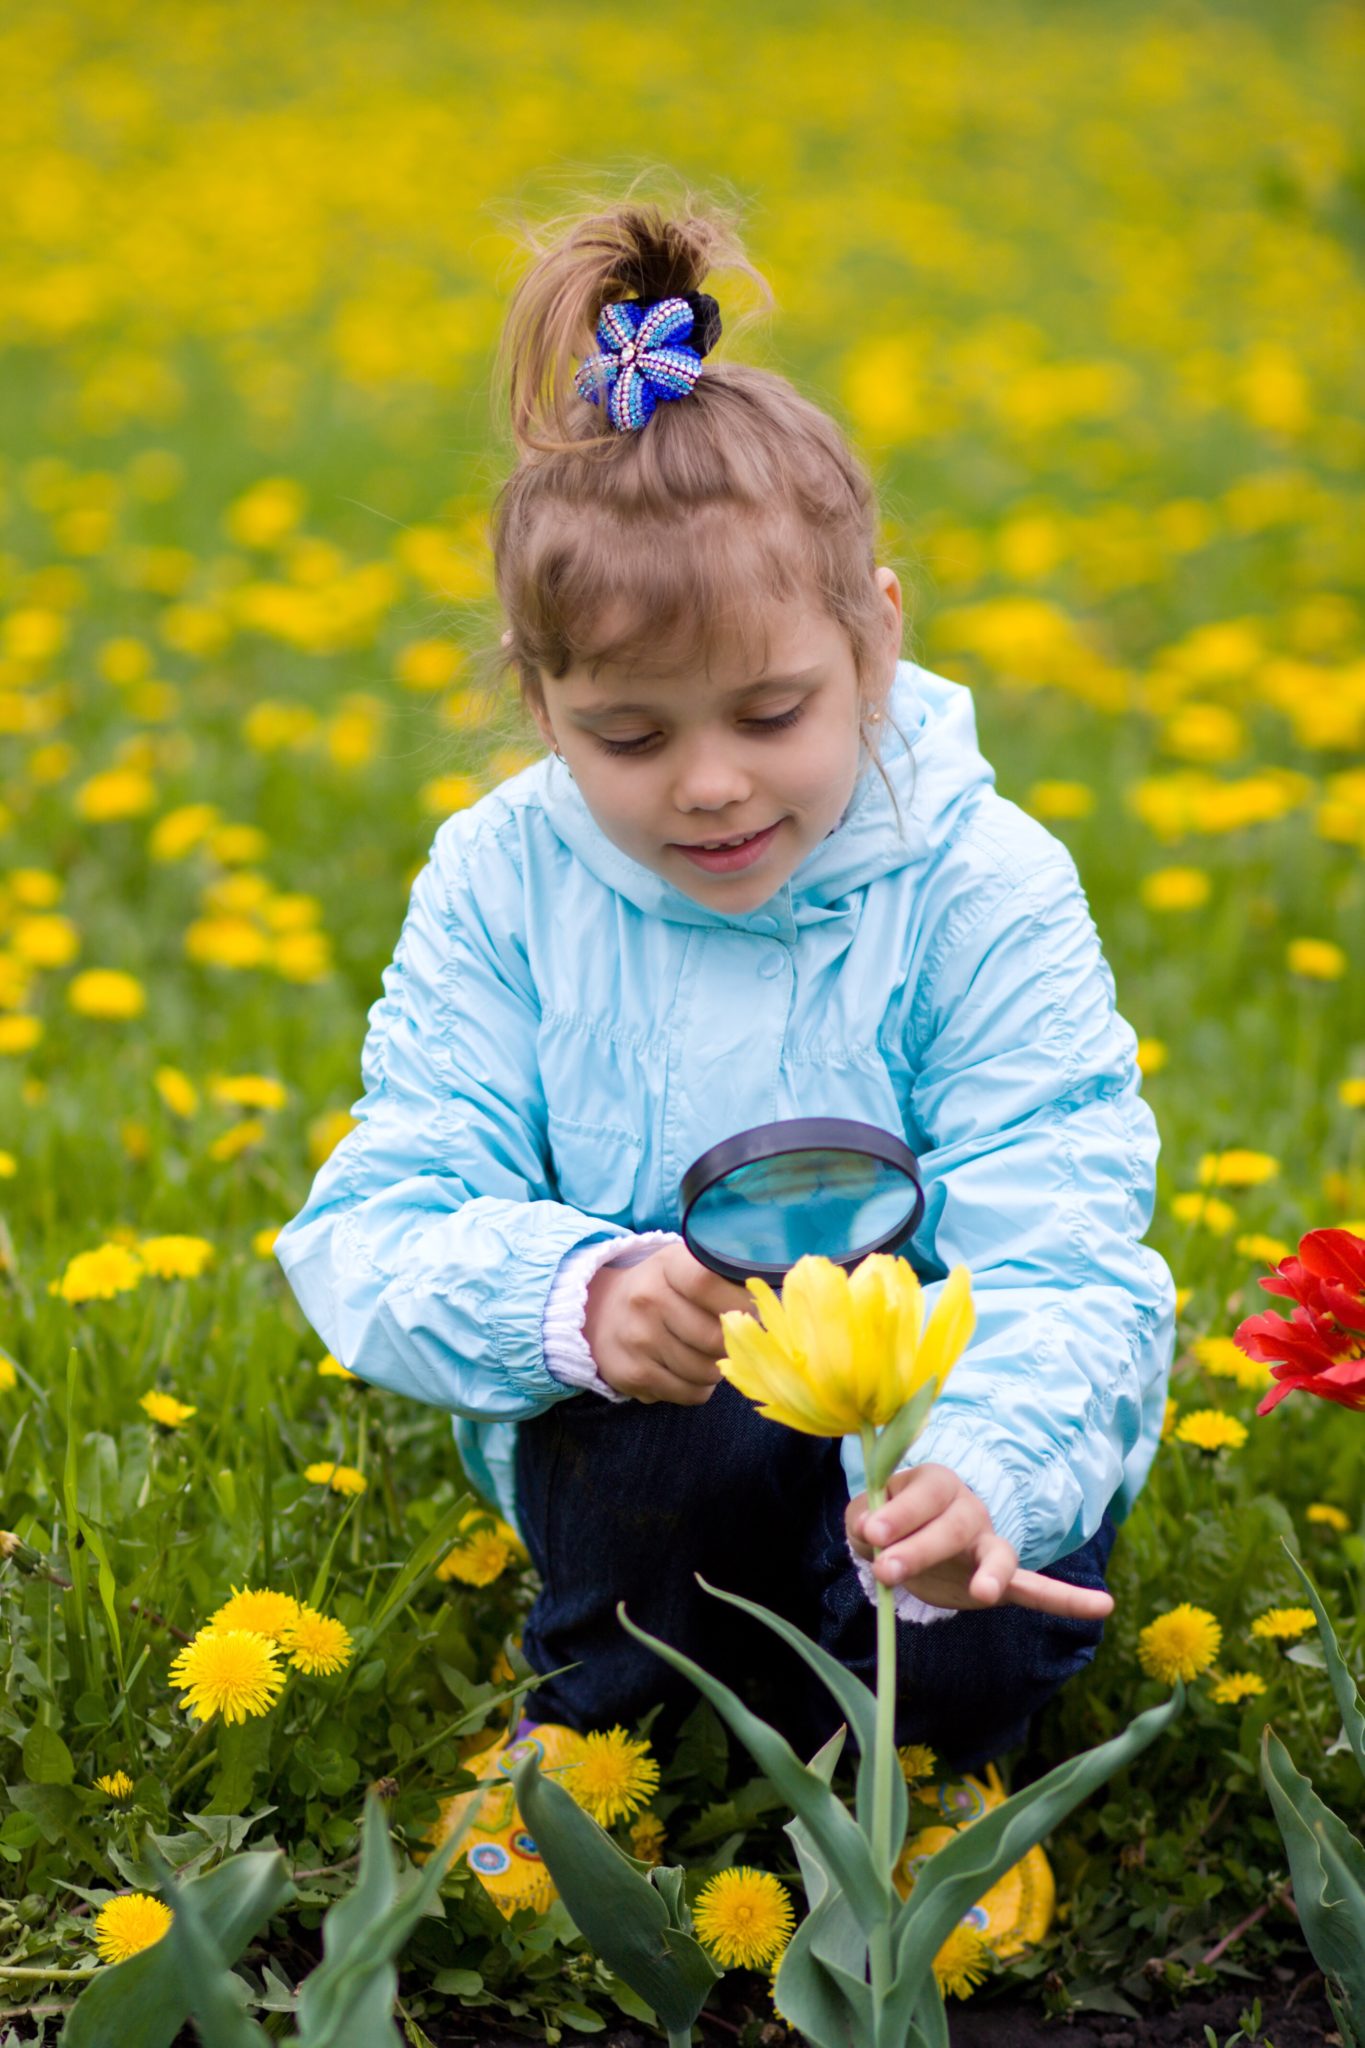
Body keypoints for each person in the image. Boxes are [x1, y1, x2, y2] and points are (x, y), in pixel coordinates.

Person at [274, 193, 1174, 1786]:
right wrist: (580, 1298)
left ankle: (929, 1768)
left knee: (957, 1617)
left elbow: (1065, 1240)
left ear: (873, 644)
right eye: (630, 737)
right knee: (657, 1466)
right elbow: (378, 1219)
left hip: (941, 1424)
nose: (707, 785)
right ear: (541, 705)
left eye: (770, 713)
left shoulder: (983, 882)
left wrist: (989, 1467)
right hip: (666, 1431)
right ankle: (598, 1726)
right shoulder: (502, 884)